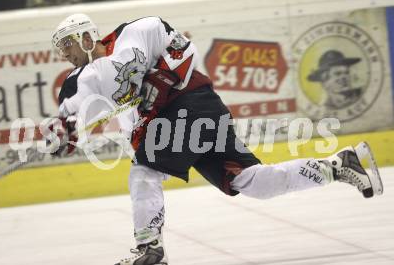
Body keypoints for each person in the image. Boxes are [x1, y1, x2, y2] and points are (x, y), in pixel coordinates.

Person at [51, 14, 384, 265]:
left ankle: (150, 249)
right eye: (60, 48)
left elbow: (180, 49)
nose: (65, 53)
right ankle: (339, 166)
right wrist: (65, 129)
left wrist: (159, 81)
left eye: (67, 43)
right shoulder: (91, 80)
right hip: (192, 116)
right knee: (250, 181)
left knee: (144, 173)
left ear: (85, 35)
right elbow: (84, 105)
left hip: (190, 105)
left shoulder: (133, 32)